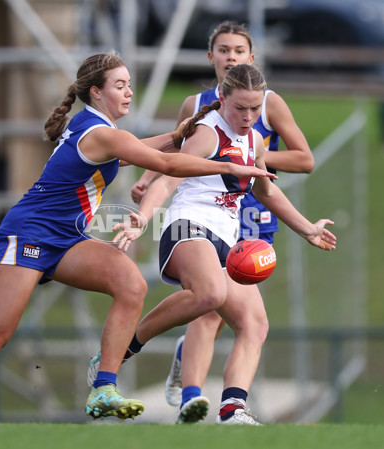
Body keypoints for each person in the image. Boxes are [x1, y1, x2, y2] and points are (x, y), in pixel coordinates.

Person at [0, 51, 272, 424]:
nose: (129, 92)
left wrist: (178, 135)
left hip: (67, 237)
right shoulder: (100, 131)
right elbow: (166, 163)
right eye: (120, 85)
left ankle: (103, 387)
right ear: (96, 92)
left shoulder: (102, 131)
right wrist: (228, 163)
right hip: (30, 232)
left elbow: (136, 152)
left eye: (130, 85)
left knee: (131, 284)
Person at [87, 63, 336, 425]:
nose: (248, 117)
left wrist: (307, 228)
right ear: (222, 99)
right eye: (240, 108)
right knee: (211, 294)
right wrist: (144, 215)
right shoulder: (207, 132)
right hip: (188, 225)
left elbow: (266, 189)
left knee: (255, 323)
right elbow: (168, 179)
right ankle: (126, 346)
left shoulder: (253, 141)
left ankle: (233, 408)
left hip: (228, 237)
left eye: (255, 108)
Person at [130, 21, 315, 416]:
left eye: (238, 50)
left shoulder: (265, 108)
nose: (230, 56)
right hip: (199, 215)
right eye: (223, 50)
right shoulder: (197, 108)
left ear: (251, 58)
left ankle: (224, 402)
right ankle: (192, 397)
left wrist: (248, 163)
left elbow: (304, 160)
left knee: (240, 315)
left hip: (250, 219)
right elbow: (173, 153)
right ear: (210, 57)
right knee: (209, 302)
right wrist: (147, 181)